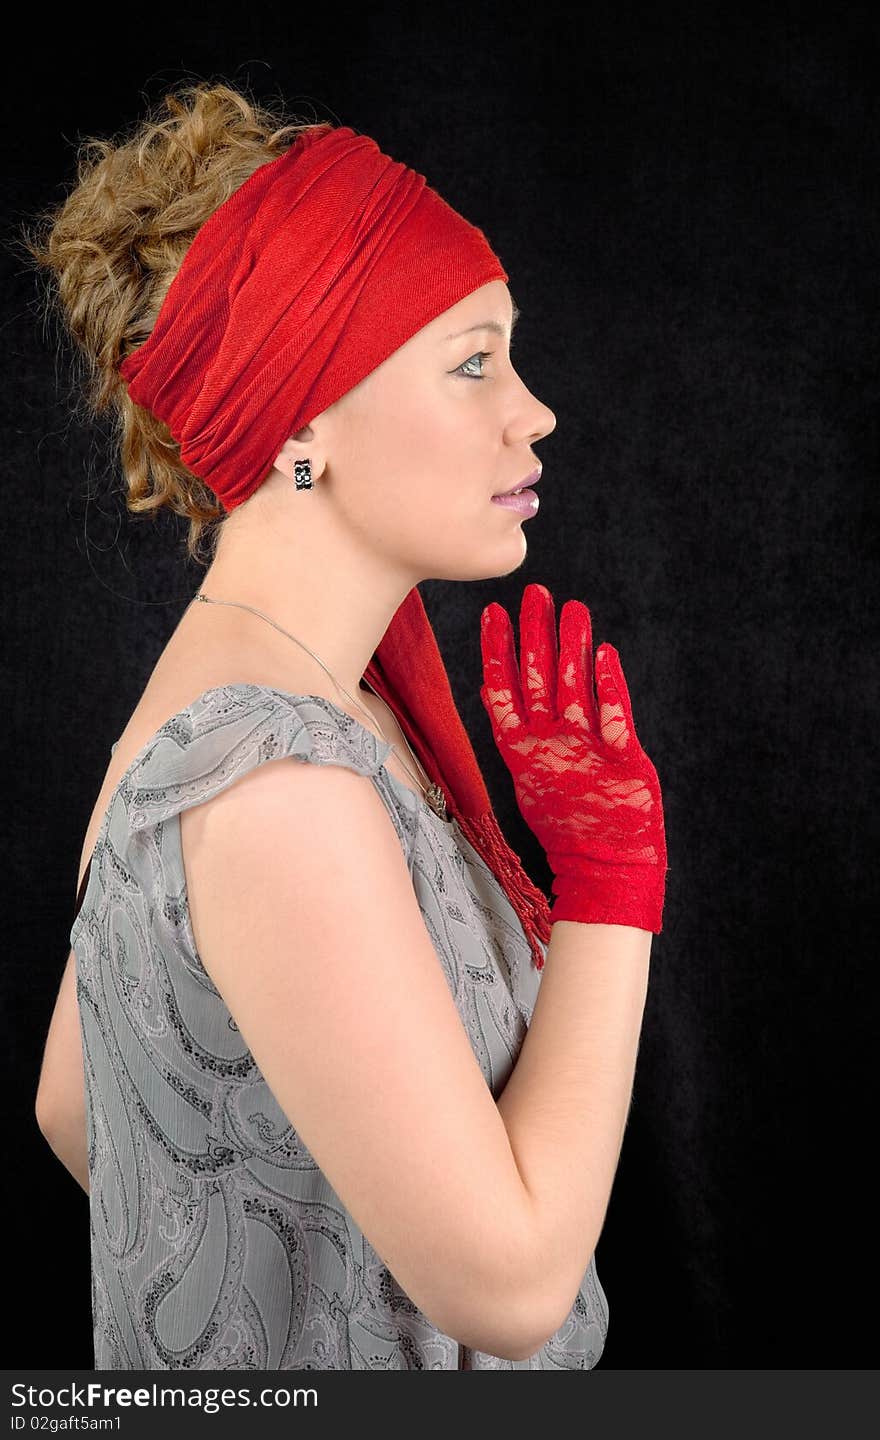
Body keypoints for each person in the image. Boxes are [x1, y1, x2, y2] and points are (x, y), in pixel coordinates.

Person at [26, 83, 668, 1370]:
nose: (530, 411)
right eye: (472, 361)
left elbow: (76, 1104)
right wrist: (610, 884)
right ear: (304, 418)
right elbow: (514, 1288)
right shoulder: (278, 786)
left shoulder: (237, 707)